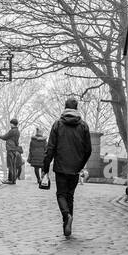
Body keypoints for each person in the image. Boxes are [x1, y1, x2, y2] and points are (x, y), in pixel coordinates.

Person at [42, 98, 91, 237]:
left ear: (65, 108)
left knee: (61, 194)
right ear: (76, 109)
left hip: (61, 166)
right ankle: (68, 225)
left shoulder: (57, 124)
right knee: (70, 196)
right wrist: (81, 164)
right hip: (75, 167)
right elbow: (88, 150)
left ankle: (66, 216)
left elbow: (50, 148)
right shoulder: (83, 126)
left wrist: (45, 167)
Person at [0, 119, 22, 184]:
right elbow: (16, 142)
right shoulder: (18, 131)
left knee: (10, 165)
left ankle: (10, 180)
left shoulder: (12, 131)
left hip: (10, 149)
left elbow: (5, 137)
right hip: (14, 149)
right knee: (13, 165)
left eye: (10, 123)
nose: (10, 124)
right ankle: (13, 180)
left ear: (12, 124)